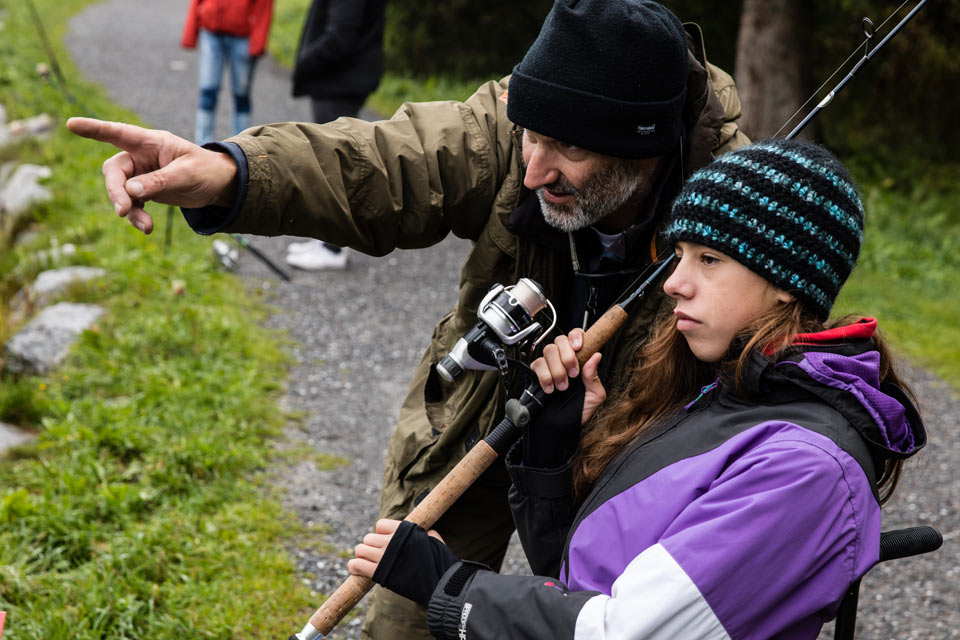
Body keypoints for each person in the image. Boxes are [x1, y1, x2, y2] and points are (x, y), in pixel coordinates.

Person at [66, 1, 750, 636]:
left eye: (568, 149)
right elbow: (377, 163)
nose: (535, 170)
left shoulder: (742, 209)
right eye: (531, 138)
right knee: (403, 616)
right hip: (485, 417)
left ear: (644, 150)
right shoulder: (508, 133)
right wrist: (230, 172)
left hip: (636, 468)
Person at [347, 138, 927, 639]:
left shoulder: (805, 469)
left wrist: (452, 586)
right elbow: (584, 573)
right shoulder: (722, 390)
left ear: (786, 284)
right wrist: (556, 458)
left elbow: (623, 629)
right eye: (677, 256)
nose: (675, 283)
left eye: (709, 260)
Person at [285, 0, 388, 271]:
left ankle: (334, 247)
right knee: (330, 161)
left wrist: (305, 62)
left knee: (335, 166)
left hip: (340, 79)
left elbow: (340, 36)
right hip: (339, 78)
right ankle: (326, 239)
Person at [181, 0, 274, 145]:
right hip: (211, 32)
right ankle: (202, 145)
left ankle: (241, 145)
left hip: (243, 36)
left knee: (241, 94)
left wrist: (258, 43)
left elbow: (264, 6)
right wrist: (190, 33)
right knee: (208, 90)